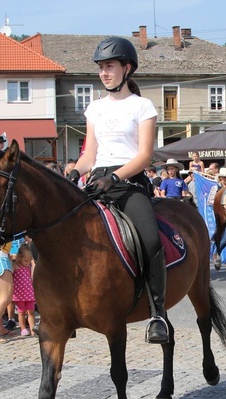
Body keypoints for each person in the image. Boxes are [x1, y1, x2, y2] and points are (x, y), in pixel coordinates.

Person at [67, 36, 168, 344]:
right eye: (101, 67)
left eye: (109, 66)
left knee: (150, 239)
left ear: (127, 68)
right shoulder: (94, 108)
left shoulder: (142, 106)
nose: (104, 72)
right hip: (96, 180)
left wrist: (117, 177)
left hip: (129, 182)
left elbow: (145, 155)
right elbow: (90, 154)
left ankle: (157, 313)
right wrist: (73, 171)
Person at [12, 244, 37, 337]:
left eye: (29, 261)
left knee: (31, 312)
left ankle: (32, 328)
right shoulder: (15, 266)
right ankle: (23, 328)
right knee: (21, 312)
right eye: (25, 261)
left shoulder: (28, 267)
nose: (27, 263)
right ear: (20, 257)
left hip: (29, 293)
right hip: (19, 294)